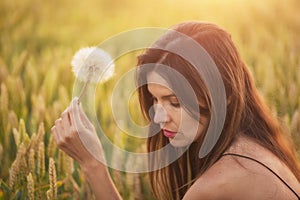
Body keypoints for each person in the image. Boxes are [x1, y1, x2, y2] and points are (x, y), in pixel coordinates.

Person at [51, 21, 300, 200]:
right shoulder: (253, 146)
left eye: (175, 102)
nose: (158, 117)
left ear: (224, 96)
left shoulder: (217, 184)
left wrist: (92, 165)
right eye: (155, 101)